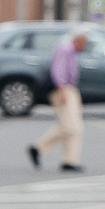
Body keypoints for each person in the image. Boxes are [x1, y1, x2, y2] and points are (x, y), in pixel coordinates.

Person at [29, 29, 85, 172]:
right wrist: (62, 90)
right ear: (79, 40)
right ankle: (39, 148)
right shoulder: (65, 49)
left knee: (74, 127)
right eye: (84, 41)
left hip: (70, 88)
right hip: (63, 89)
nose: (85, 45)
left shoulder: (72, 51)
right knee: (70, 126)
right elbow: (57, 70)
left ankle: (69, 160)